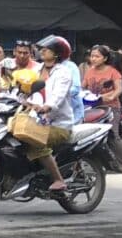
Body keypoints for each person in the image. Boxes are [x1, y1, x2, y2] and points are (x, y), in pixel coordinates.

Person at [20, 36, 81, 193]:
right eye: (41, 49)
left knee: (34, 141)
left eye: (47, 49)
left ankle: (58, 180)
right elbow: (24, 89)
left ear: (57, 54)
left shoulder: (63, 72)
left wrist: (47, 107)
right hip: (35, 119)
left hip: (59, 125)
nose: (43, 51)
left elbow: (58, 96)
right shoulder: (35, 70)